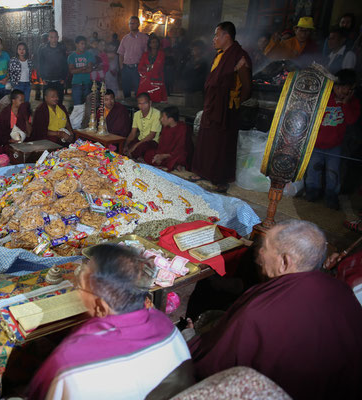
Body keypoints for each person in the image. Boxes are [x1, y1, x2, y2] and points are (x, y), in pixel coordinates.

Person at [189, 220, 362, 400]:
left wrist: (188, 340)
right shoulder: (342, 291)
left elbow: (212, 365)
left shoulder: (260, 312)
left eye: (265, 248)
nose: (260, 253)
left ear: (284, 262)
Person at [27, 243, 193, 400]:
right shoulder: (164, 324)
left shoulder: (68, 361)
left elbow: (39, 394)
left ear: (100, 306)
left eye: (81, 286)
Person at [190, 21, 252, 193]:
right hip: (212, 104)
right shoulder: (220, 55)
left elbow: (246, 87)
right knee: (206, 140)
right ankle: (203, 172)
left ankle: (221, 178)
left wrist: (235, 103)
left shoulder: (239, 57)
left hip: (227, 109)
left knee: (223, 144)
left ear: (227, 36)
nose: (214, 39)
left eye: (217, 35)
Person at [304, 69, 360, 209]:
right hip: (316, 144)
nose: (340, 90)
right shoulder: (325, 98)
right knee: (313, 170)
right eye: (337, 86)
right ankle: (312, 192)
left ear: (352, 89)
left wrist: (345, 103)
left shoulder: (353, 103)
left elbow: (351, 120)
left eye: (344, 87)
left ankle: (331, 196)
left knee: (333, 172)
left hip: (335, 145)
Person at [144, 106, 187, 171]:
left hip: (173, 155)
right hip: (164, 154)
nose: (161, 119)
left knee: (178, 158)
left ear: (170, 119)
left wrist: (163, 156)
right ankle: (169, 164)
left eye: (163, 117)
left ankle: (174, 165)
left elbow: (180, 149)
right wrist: (159, 156)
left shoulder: (182, 129)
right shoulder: (166, 127)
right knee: (148, 154)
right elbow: (161, 145)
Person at [117, 16, 149, 98]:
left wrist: (144, 68)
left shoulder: (144, 38)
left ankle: (138, 109)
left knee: (138, 90)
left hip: (138, 68)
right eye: (130, 23)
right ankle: (128, 108)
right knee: (126, 90)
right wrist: (122, 68)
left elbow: (146, 54)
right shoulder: (125, 38)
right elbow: (120, 54)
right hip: (126, 68)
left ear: (138, 24)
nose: (131, 25)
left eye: (133, 23)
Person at [125, 92, 162, 159]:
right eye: (140, 104)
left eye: (145, 103)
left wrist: (136, 146)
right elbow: (133, 133)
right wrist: (126, 145)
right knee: (128, 147)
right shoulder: (137, 114)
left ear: (150, 103)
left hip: (152, 141)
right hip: (140, 140)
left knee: (139, 149)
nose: (142, 106)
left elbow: (152, 135)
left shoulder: (157, 114)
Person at [38, 30, 69, 104]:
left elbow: (65, 64)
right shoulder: (43, 50)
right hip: (47, 81)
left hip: (59, 81)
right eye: (51, 37)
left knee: (58, 101)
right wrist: (42, 78)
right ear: (48, 38)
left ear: (58, 38)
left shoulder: (62, 49)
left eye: (55, 37)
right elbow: (40, 64)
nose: (53, 39)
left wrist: (64, 78)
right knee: (47, 103)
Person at [137, 35, 167, 103]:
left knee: (157, 100)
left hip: (157, 80)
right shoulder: (145, 54)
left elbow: (160, 66)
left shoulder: (162, 54)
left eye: (156, 42)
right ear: (149, 44)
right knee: (145, 100)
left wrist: (150, 67)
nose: (154, 44)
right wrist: (148, 68)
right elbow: (140, 67)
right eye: (152, 42)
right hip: (146, 80)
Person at [68, 36, 95, 106]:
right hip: (76, 84)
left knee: (87, 106)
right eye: (82, 44)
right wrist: (83, 68)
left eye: (85, 44)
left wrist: (77, 69)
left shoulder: (89, 54)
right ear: (76, 44)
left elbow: (90, 69)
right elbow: (72, 71)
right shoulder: (71, 56)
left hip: (87, 83)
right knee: (77, 107)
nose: (84, 46)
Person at [182, 40, 208, 109]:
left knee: (197, 111)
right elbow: (184, 73)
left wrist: (193, 70)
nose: (194, 50)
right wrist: (193, 69)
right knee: (187, 111)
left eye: (196, 49)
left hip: (198, 91)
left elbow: (197, 72)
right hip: (188, 90)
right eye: (193, 49)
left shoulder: (204, 62)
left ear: (201, 50)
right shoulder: (189, 61)